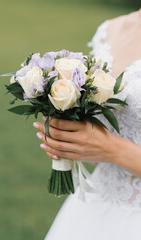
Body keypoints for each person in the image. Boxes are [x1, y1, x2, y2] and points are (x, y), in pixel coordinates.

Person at [33, 9, 141, 240]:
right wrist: (74, 141)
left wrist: (113, 149)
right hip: (96, 205)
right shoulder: (111, 30)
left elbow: (112, 146)